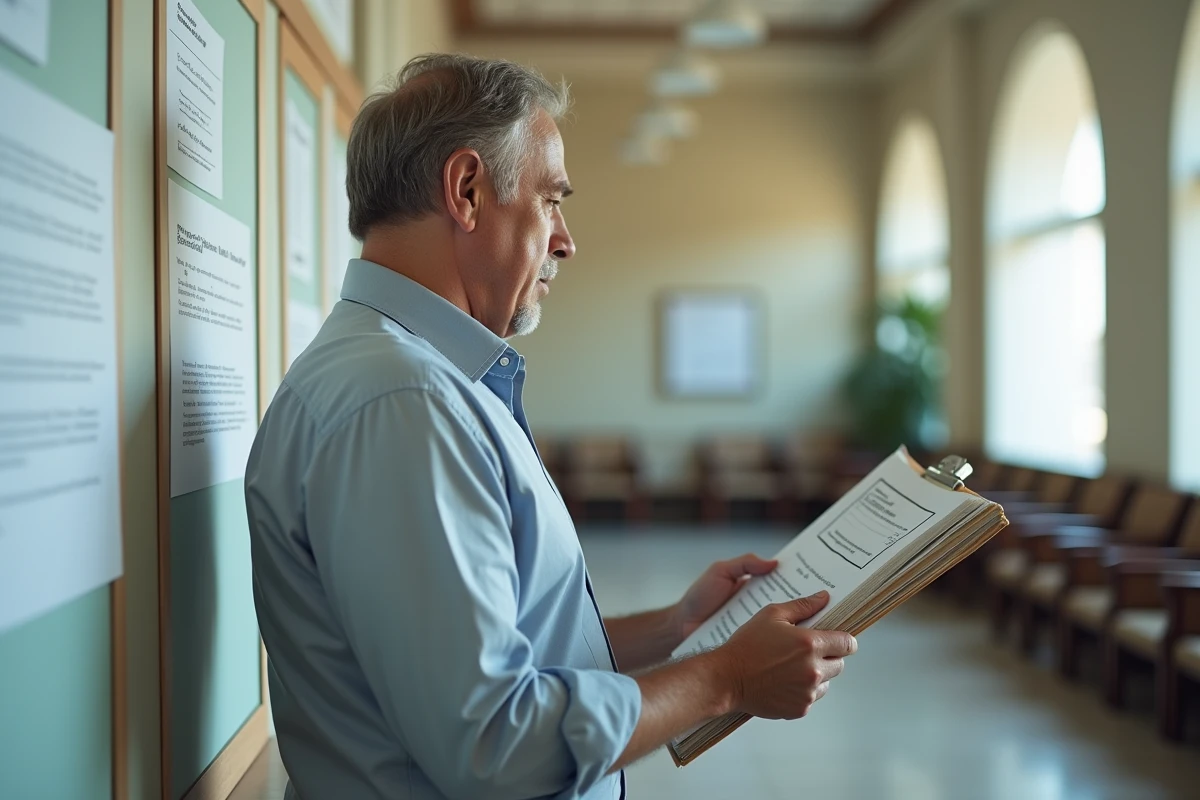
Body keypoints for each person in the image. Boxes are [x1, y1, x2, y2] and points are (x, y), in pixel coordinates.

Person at [245, 53, 858, 800]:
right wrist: (724, 680)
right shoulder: (404, 403)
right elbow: (498, 745)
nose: (565, 240)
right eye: (550, 200)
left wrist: (678, 626)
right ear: (467, 190)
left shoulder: (414, 383)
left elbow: (503, 648)